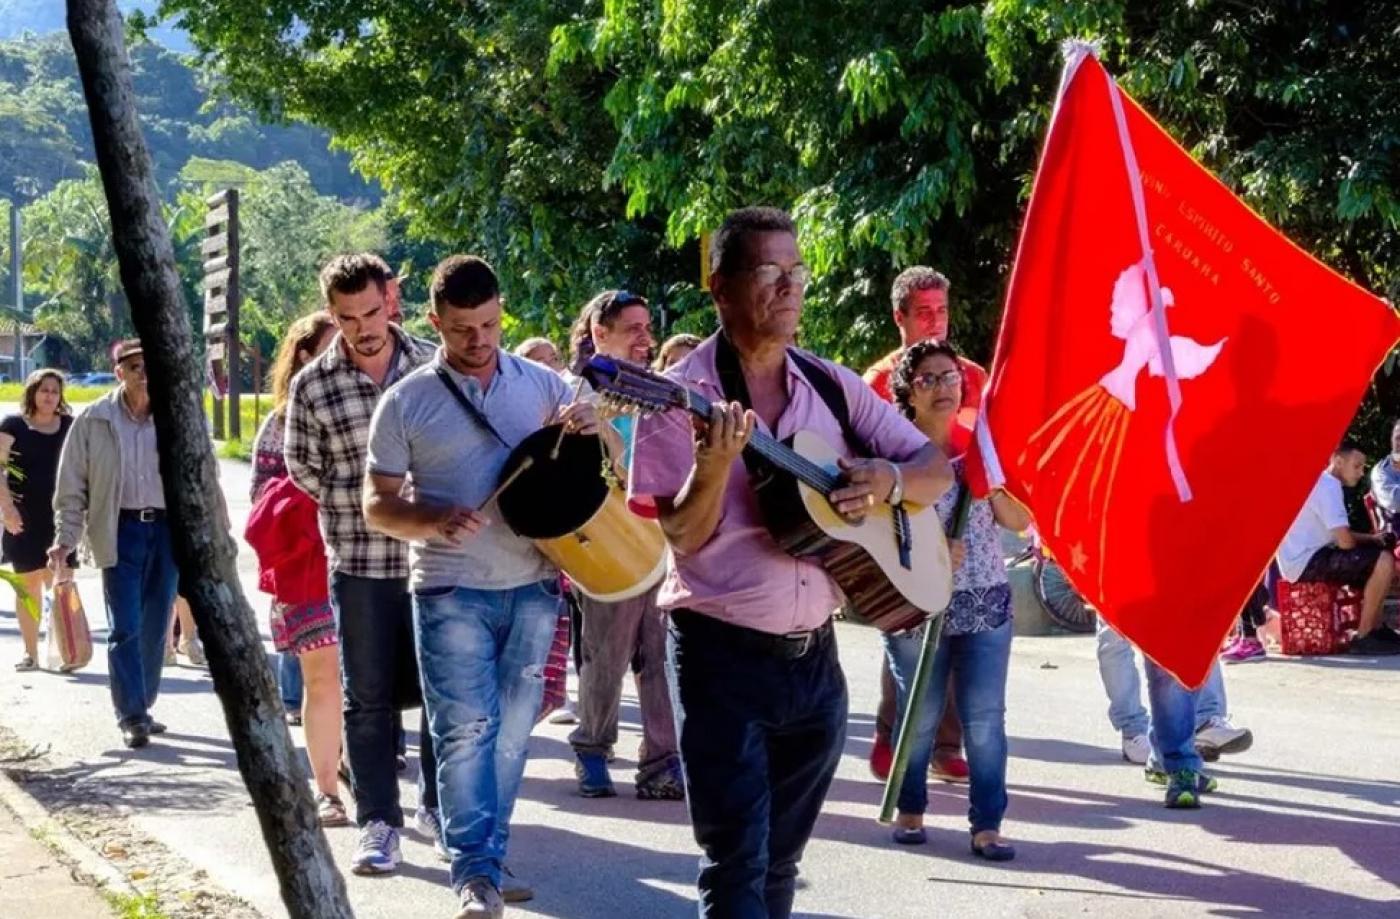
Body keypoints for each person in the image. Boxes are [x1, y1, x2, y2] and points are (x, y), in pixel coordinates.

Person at [629, 206, 952, 917]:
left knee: (780, 862)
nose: (789, 287)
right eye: (768, 272)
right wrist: (712, 466)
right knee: (737, 863)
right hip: (721, 654)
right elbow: (681, 534)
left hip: (815, 663)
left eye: (796, 271)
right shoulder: (677, 396)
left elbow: (935, 467)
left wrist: (890, 482)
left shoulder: (832, 384)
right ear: (721, 288)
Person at [364, 254, 596, 917]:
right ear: (435, 322)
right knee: (465, 730)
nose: (480, 340)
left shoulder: (543, 384)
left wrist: (593, 426)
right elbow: (376, 504)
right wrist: (431, 518)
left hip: (535, 582)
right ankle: (475, 871)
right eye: (463, 328)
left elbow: (601, 455)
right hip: (448, 587)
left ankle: (487, 857)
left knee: (513, 733)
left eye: (490, 324)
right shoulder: (405, 401)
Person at [284, 253, 441, 874]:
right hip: (359, 560)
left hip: (438, 557)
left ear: (392, 298)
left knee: (442, 694)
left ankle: (439, 810)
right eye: (347, 318)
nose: (363, 327)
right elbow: (302, 466)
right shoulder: (314, 384)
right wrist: (362, 503)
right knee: (367, 697)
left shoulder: (435, 364)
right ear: (332, 315)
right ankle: (379, 821)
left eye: (372, 311)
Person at [882, 340, 1029, 859]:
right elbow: (875, 531)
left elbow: (1019, 522)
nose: (942, 387)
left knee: (985, 718)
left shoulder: (982, 449)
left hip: (984, 600)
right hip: (915, 603)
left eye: (949, 377)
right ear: (908, 393)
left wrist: (995, 485)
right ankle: (911, 809)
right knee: (918, 715)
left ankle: (987, 824)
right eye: (927, 379)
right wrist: (930, 549)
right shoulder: (893, 457)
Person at [562, 290, 683, 800]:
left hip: (661, 542)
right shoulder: (572, 393)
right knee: (605, 653)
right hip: (607, 546)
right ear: (599, 334)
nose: (644, 338)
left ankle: (661, 760)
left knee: (661, 655)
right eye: (631, 328)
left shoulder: (657, 391)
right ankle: (593, 749)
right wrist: (599, 430)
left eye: (646, 327)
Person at [863, 267, 980, 784]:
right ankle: (892, 734)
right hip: (903, 520)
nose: (935, 322)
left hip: (962, 523)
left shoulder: (972, 375)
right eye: (924, 312)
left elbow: (984, 445)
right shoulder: (875, 380)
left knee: (958, 635)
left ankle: (946, 744)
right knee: (905, 630)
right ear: (900, 318)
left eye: (942, 311)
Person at [246, 309, 348, 827]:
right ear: (305, 356)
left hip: (367, 560)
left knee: (365, 684)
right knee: (322, 679)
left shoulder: (372, 402)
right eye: (332, 345)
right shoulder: (280, 422)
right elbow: (260, 502)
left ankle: (354, 765)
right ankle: (327, 789)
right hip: (305, 566)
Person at [52, 340, 179, 749]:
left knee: (157, 624)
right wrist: (65, 539)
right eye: (135, 366)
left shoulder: (177, 416)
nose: (145, 373)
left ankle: (142, 702)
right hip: (118, 528)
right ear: (119, 372)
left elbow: (202, 477)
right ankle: (132, 715)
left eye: (150, 365)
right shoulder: (94, 420)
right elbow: (72, 487)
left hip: (166, 530)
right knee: (124, 624)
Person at [1277, 439, 1400, 656]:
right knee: (1383, 560)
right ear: (1337, 461)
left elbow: (1340, 536)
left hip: (1305, 558)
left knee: (1375, 558)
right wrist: (1371, 541)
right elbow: (1345, 542)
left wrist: (1372, 539)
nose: (1361, 472)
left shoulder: (1321, 482)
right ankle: (1364, 636)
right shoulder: (1327, 485)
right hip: (1306, 562)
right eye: (1357, 465)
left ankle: (1378, 628)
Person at [0, 369, 75, 671]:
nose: (49, 396)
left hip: (61, 516)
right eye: (43, 390)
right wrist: (7, 510)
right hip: (23, 517)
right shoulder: (13, 426)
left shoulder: (71, 426)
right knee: (29, 586)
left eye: (54, 391)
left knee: (61, 584)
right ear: (32, 392)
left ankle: (68, 651)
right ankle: (31, 653)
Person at [1367, 419, 1400, 533]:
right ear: (1391, 440)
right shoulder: (1381, 472)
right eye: (1398, 438)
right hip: (1395, 534)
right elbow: (1396, 501)